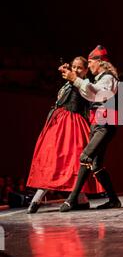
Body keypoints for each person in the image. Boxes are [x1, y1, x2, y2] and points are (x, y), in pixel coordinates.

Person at [26, 56, 103, 214]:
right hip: (58, 123)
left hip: (71, 125)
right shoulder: (71, 81)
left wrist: (70, 74)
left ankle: (40, 198)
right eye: (74, 67)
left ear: (86, 70)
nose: (75, 70)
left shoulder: (84, 84)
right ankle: (81, 199)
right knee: (53, 159)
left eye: (79, 67)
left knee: (70, 161)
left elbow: (82, 90)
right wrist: (66, 72)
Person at [59, 45, 121, 212]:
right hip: (98, 123)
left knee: (86, 156)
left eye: (91, 62)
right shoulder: (99, 79)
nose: (90, 65)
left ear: (99, 62)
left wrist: (76, 79)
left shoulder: (108, 78)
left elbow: (96, 93)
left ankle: (71, 199)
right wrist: (73, 78)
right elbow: (88, 93)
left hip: (104, 125)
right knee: (96, 164)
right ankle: (114, 200)